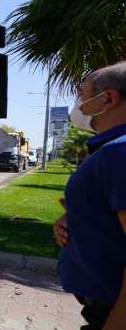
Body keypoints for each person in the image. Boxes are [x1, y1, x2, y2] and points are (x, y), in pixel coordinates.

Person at [52, 61, 126, 329]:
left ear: (107, 99)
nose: (79, 107)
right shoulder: (112, 150)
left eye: (83, 97)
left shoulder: (119, 152)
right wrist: (78, 217)